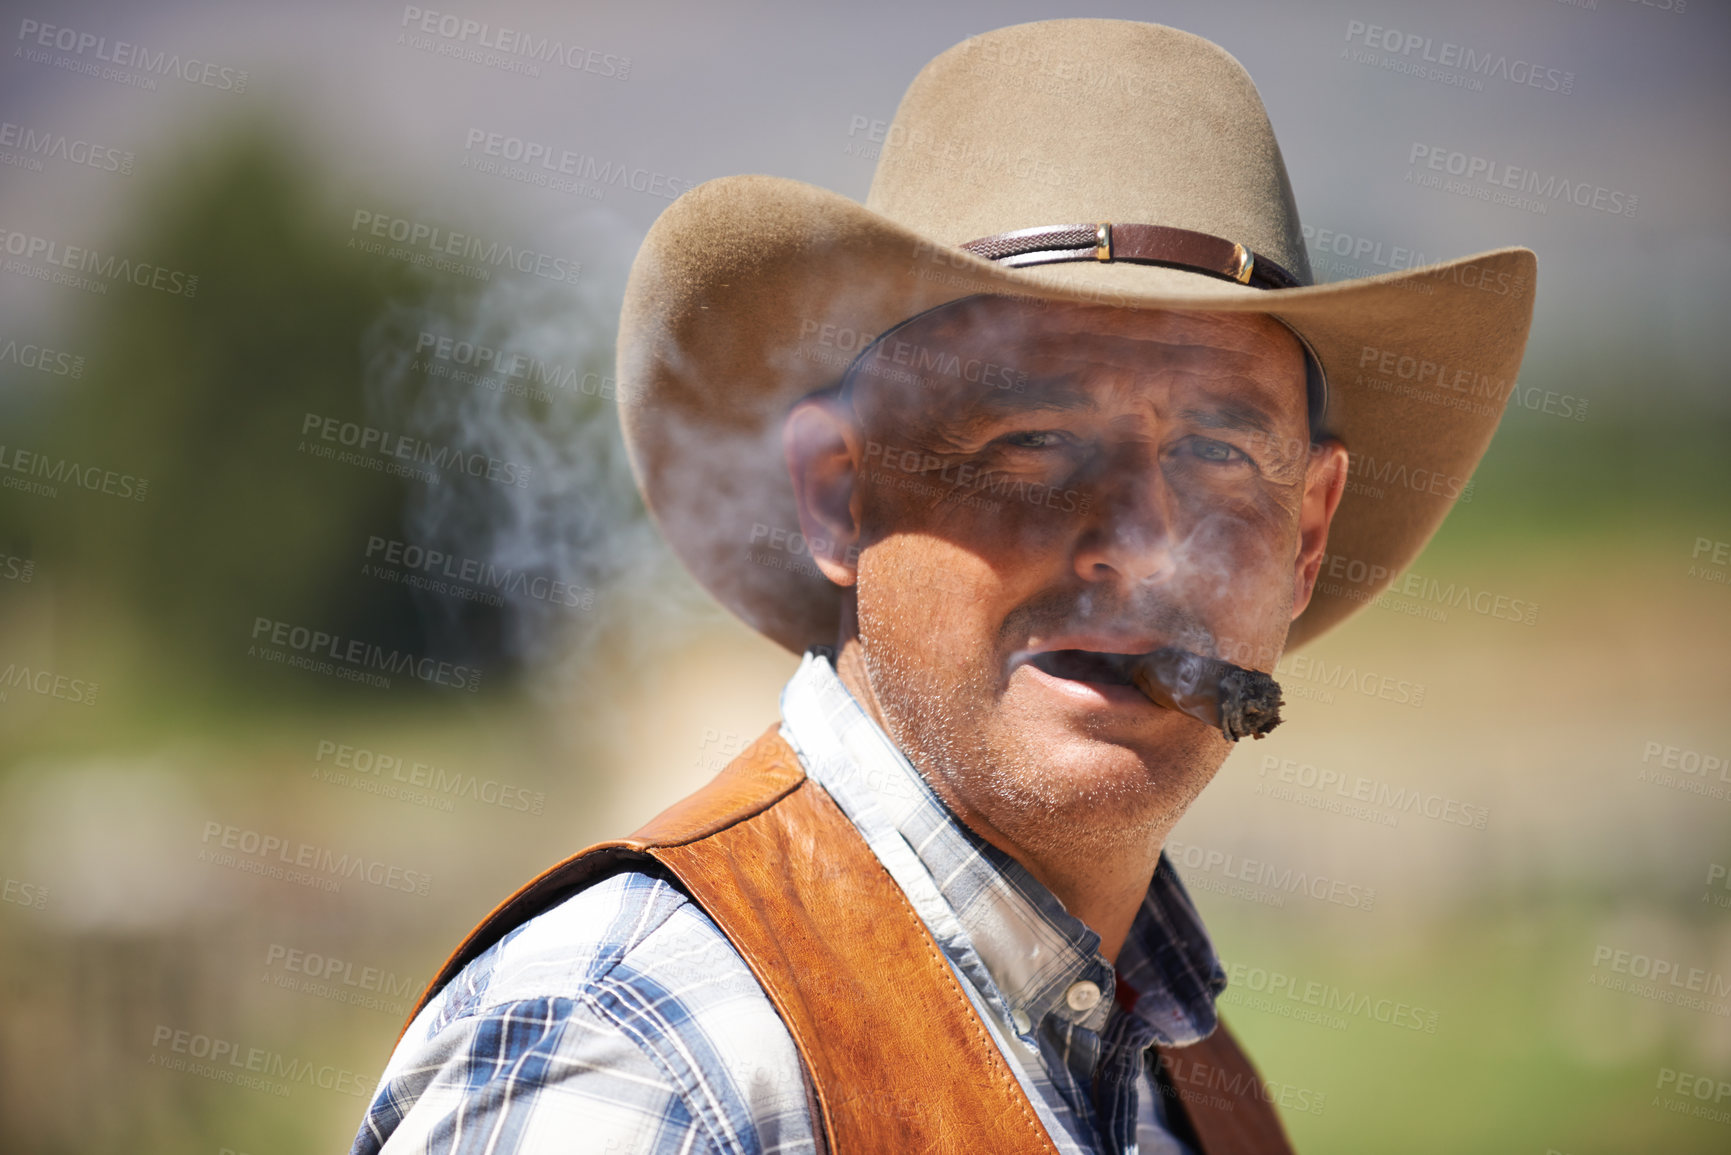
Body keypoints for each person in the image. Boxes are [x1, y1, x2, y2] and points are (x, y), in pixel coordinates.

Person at [351, 18, 1535, 1154]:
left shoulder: (1193, 1086)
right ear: (838, 494)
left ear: (1307, 539)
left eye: (1218, 455)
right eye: (1032, 440)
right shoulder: (643, 1056)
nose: (1138, 541)